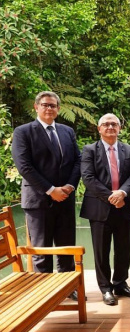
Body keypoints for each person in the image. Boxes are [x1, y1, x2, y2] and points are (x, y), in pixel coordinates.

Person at [11, 91, 81, 300]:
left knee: (66, 248)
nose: (49, 108)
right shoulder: (23, 132)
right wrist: (51, 190)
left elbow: (77, 161)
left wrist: (69, 186)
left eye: (53, 105)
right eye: (45, 105)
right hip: (38, 201)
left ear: (58, 109)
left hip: (65, 199)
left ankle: (69, 288)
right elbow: (24, 166)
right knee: (41, 251)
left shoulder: (67, 131)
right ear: (36, 107)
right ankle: (45, 294)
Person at [80, 114, 130, 306]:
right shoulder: (89, 150)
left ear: (119, 128)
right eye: (106, 124)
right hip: (99, 208)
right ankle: (106, 289)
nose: (110, 127)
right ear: (99, 129)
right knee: (101, 250)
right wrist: (111, 196)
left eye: (114, 124)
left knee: (123, 249)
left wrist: (122, 193)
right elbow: (88, 178)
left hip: (123, 206)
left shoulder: (129, 150)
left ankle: (120, 283)